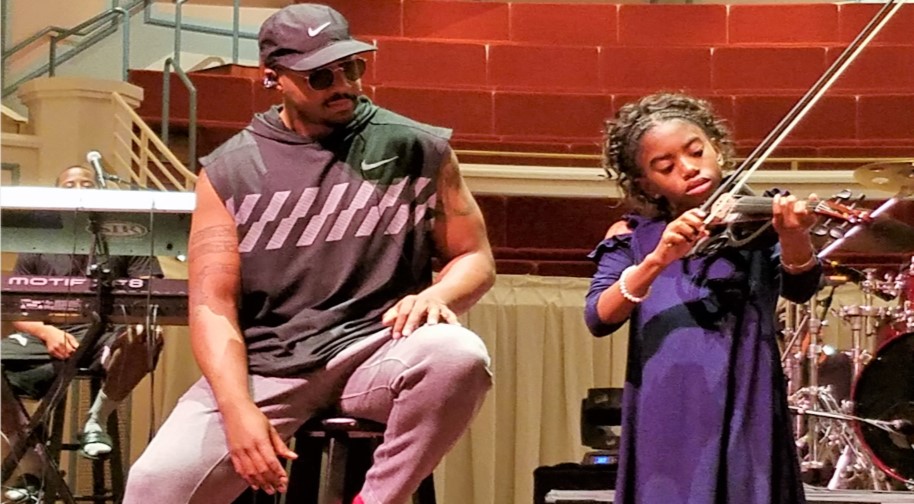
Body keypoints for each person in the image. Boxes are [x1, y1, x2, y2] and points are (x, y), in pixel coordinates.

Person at [123, 4, 495, 503]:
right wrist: (238, 412)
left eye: (352, 67)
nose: (343, 84)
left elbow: (476, 257)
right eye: (320, 76)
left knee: (459, 355)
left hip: (375, 350)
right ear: (273, 78)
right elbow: (212, 305)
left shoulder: (418, 147)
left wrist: (441, 292)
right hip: (269, 367)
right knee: (154, 486)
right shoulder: (228, 170)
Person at [584, 93, 822, 504]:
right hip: (667, 402)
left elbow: (801, 286)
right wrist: (658, 259)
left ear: (717, 147)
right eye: (666, 166)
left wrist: (794, 235)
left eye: (697, 152)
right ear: (645, 182)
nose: (689, 168)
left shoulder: (758, 221)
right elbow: (599, 317)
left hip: (747, 392)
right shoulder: (632, 236)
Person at [1, 164, 164, 501]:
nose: (78, 187)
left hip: (104, 336)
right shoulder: (40, 241)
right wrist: (46, 332)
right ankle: (33, 463)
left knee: (148, 334)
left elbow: (151, 292)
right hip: (47, 339)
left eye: (86, 183)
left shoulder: (124, 238)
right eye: (69, 183)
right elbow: (16, 307)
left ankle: (96, 419)